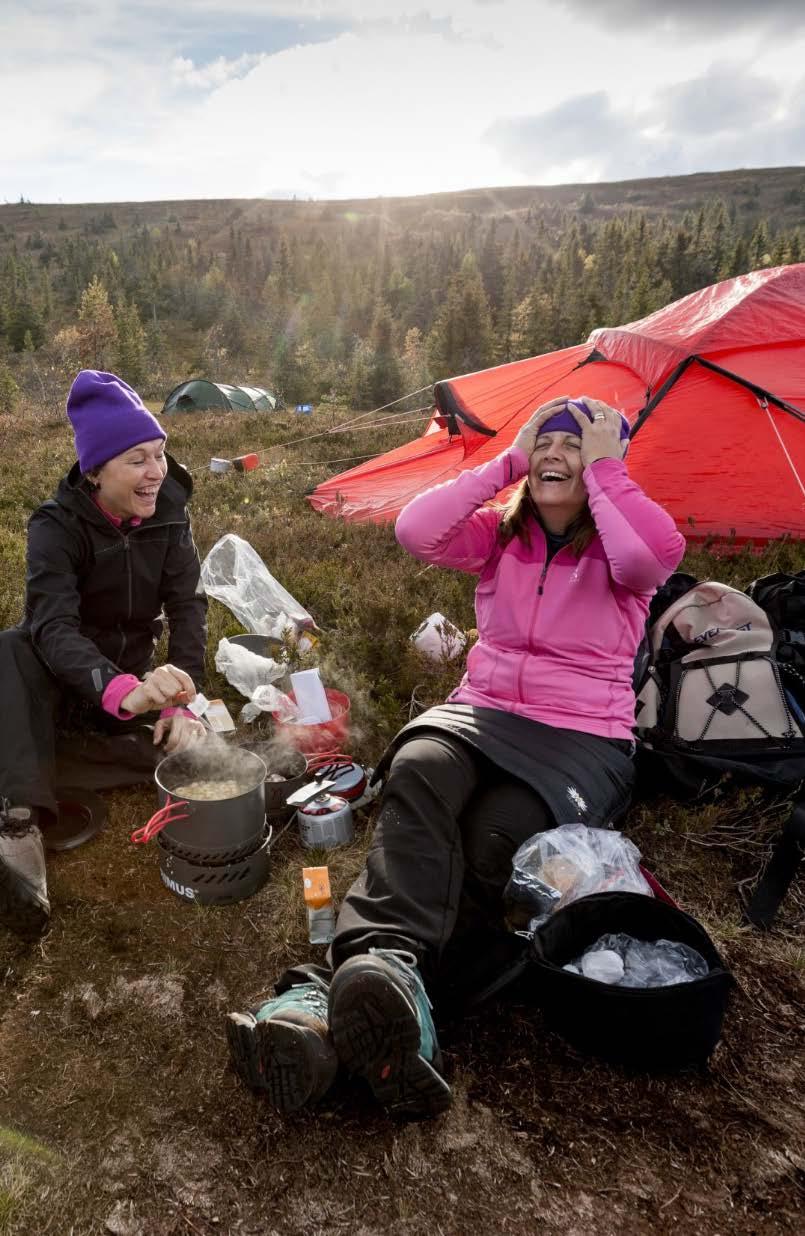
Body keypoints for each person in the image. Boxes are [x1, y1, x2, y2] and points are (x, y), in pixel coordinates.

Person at [226, 395, 686, 1119]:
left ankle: (323, 998)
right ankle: (386, 979)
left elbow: (651, 554)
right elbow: (415, 528)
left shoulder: (621, 552)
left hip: (580, 736)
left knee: (492, 836)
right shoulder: (500, 537)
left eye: (576, 443)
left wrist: (604, 467)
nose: (553, 454)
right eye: (544, 441)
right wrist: (507, 455)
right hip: (479, 710)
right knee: (417, 774)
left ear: (606, 459)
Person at [0, 370, 208, 939]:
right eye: (137, 458)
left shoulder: (169, 512)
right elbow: (53, 627)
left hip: (126, 688)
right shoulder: (56, 526)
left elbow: (187, 606)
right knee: (12, 647)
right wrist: (121, 689)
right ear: (96, 471)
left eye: (160, 453)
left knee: (185, 749)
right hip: (67, 683)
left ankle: (47, 763)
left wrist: (179, 702)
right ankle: (20, 829)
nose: (156, 472)